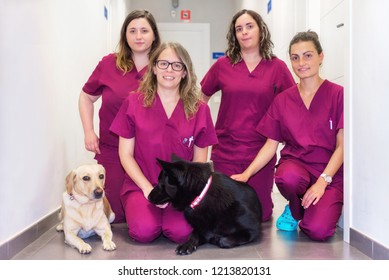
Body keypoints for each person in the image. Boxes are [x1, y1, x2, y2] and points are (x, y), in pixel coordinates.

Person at [231, 31, 344, 241]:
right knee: (287, 177)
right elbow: (270, 145)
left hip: (328, 174)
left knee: (318, 231)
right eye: (295, 57)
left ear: (321, 56)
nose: (301, 62)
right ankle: (295, 207)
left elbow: (343, 146)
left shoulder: (338, 94)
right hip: (296, 168)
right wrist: (247, 173)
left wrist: (322, 181)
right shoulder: (283, 100)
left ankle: (302, 211)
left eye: (308, 55)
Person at [110, 42, 218, 243]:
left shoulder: (199, 109)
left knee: (181, 233)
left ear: (185, 72)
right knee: (143, 231)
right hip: (141, 185)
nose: (170, 70)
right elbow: (125, 155)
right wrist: (147, 189)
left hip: (181, 191)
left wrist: (183, 196)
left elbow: (198, 165)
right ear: (153, 68)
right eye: (164, 64)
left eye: (177, 65)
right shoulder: (133, 103)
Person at [200, 9, 295, 222]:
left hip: (261, 150)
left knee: (259, 215)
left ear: (261, 30)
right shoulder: (223, 65)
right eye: (239, 29)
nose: (244, 32)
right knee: (224, 211)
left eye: (249, 26)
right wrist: (200, 129)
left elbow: (292, 102)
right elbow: (201, 98)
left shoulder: (277, 67)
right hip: (226, 149)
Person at [78, 10, 161, 223]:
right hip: (112, 150)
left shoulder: (163, 67)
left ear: (154, 35)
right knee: (112, 215)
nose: (138, 36)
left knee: (148, 211)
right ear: (125, 35)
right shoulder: (109, 64)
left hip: (148, 154)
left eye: (144, 30)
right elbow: (86, 97)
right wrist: (89, 131)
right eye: (132, 31)